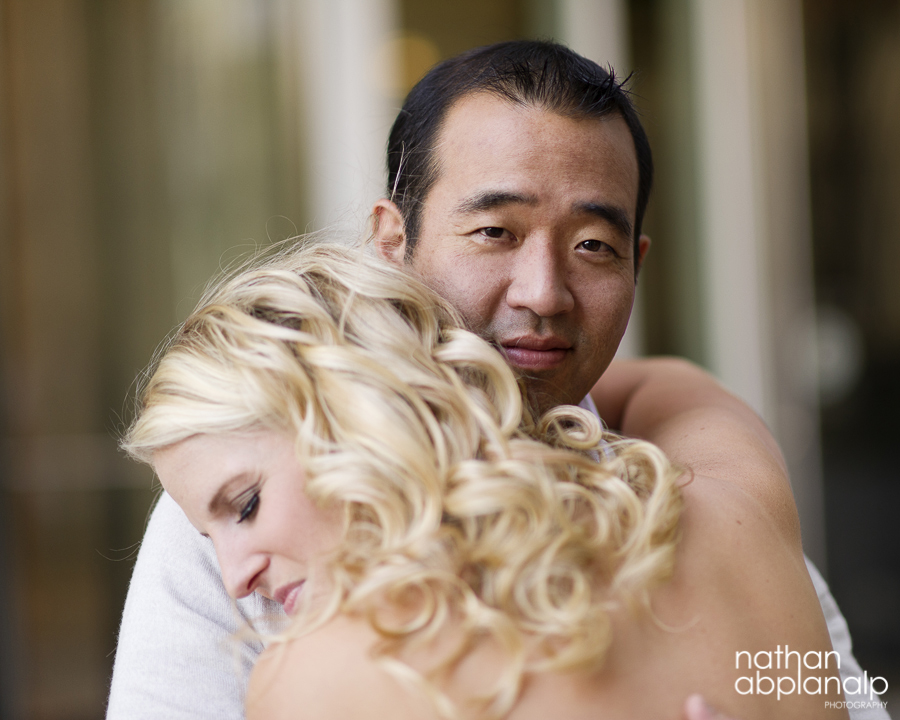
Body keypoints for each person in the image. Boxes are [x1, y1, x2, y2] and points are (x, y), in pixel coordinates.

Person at [106, 41, 882, 720]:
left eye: (593, 247)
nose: (542, 293)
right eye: (493, 233)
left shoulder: (315, 673)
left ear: (637, 269)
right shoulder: (732, 493)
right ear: (391, 242)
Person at [124, 242, 847, 719]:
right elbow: (673, 381)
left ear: (361, 416)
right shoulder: (736, 509)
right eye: (205, 533)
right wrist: (462, 381)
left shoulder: (321, 680)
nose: (233, 578)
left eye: (245, 505)